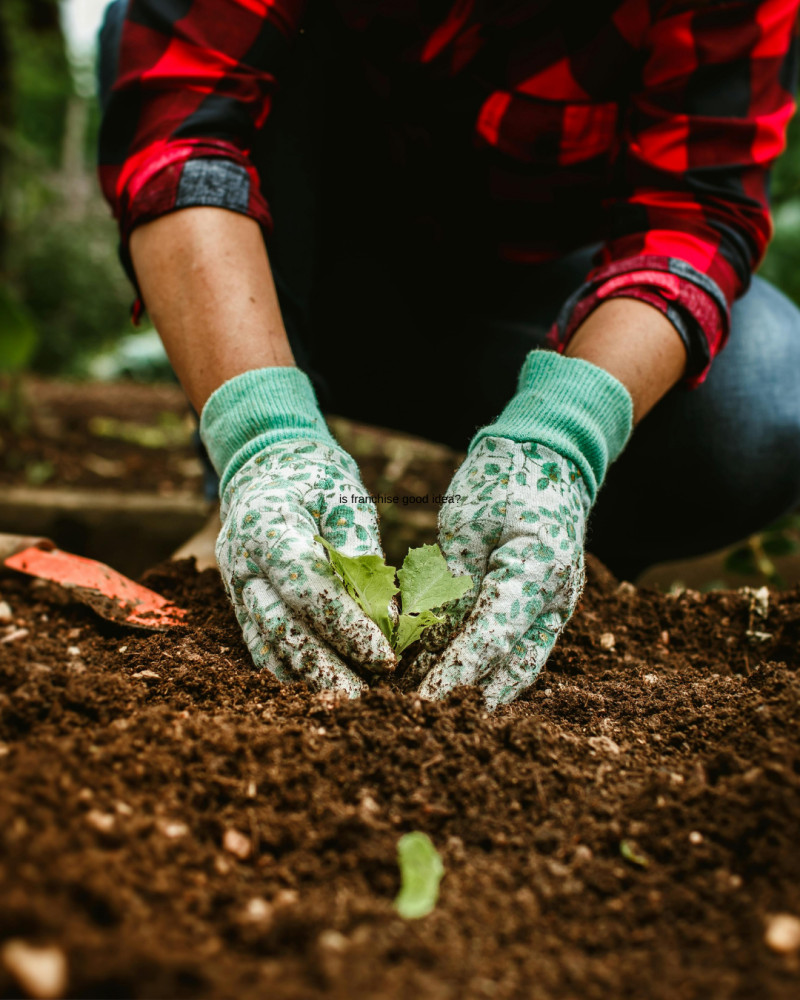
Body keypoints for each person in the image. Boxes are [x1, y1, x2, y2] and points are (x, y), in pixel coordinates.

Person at [97, 0, 800, 707]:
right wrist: (262, 436)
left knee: (764, 394)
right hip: (301, 292)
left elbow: (693, 215)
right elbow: (176, 126)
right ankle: (257, 507)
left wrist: (558, 439)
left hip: (537, 314)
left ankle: (544, 550)